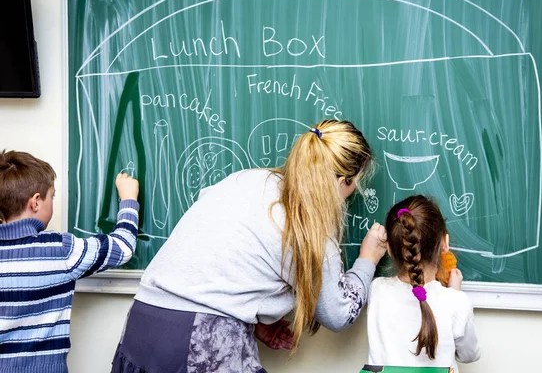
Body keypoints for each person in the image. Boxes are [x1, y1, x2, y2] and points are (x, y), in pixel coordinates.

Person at [111, 120, 388, 373]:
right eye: (356, 184)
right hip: (199, 342)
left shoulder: (244, 179)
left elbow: (216, 255)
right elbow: (338, 314)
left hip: (141, 324)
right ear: (343, 182)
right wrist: (367, 260)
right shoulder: (310, 224)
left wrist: (249, 321)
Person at [0, 150, 140, 373]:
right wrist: (129, 199)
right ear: (36, 202)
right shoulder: (58, 251)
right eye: (51, 196)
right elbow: (123, 247)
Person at [365, 195, 480, 372]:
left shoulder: (377, 290)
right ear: (444, 242)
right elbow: (470, 354)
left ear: (388, 249)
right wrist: (454, 293)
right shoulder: (456, 303)